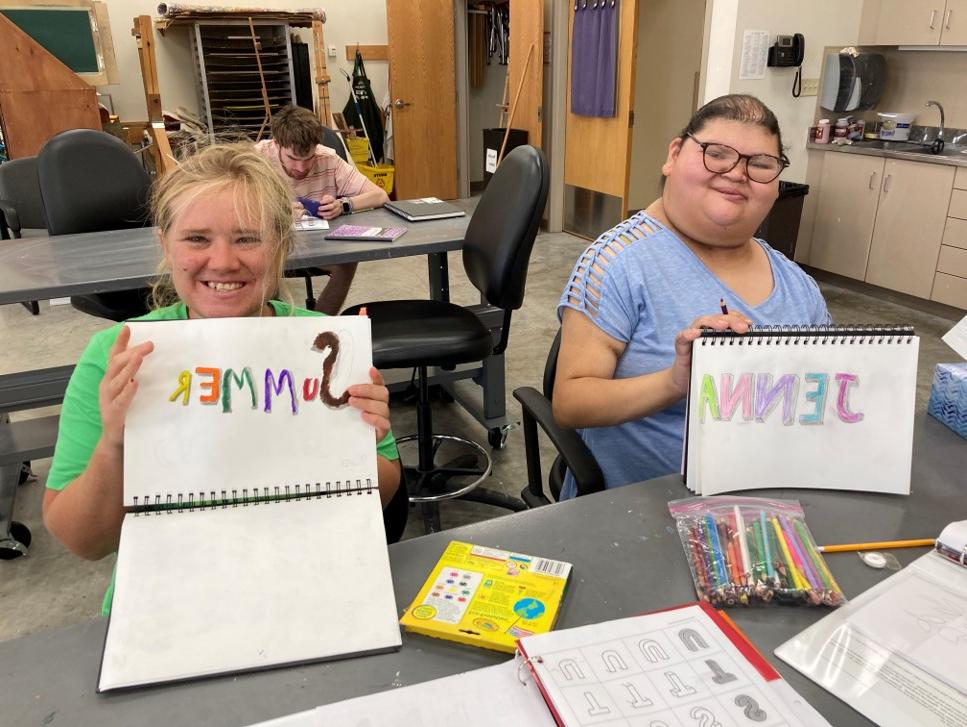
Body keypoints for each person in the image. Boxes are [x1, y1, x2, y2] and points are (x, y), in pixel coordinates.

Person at [43, 145, 401, 605]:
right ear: (165, 245)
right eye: (196, 239)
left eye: (247, 238)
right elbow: (83, 542)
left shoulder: (324, 348)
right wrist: (114, 443)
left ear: (281, 245)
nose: (224, 261)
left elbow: (383, 492)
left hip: (308, 585)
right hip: (169, 602)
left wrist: (359, 441)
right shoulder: (118, 357)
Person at [553, 94, 831, 499]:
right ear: (674, 155)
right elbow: (571, 402)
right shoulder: (618, 262)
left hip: (770, 504)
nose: (738, 174)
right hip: (646, 511)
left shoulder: (796, 284)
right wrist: (674, 381)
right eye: (717, 155)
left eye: (760, 164)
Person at [255, 105, 390, 314]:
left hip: (319, 243)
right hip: (272, 244)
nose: (301, 168)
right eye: (293, 159)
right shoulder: (256, 159)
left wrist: (344, 204)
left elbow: (380, 196)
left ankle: (320, 324)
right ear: (276, 143)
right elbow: (230, 209)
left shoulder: (328, 158)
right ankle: (273, 326)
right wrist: (276, 213)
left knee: (347, 260)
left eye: (308, 158)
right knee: (259, 264)